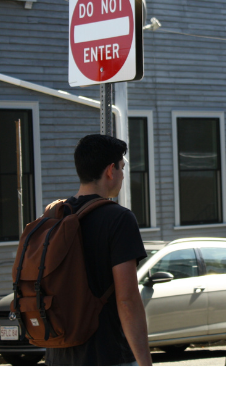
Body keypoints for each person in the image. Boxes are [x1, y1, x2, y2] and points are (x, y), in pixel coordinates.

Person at [45, 134, 152, 366]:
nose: (123, 175)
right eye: (122, 168)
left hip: (58, 355)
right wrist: (145, 364)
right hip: (107, 354)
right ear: (111, 171)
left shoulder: (55, 217)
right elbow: (127, 300)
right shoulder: (119, 218)